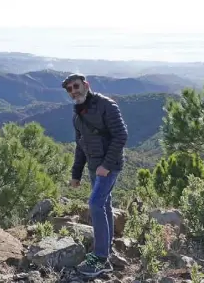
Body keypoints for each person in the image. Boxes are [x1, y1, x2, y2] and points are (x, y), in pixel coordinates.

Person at [62, 73, 128, 277]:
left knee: (95, 203)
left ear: (86, 85)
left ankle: (100, 258)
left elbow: (121, 135)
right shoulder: (77, 116)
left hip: (109, 166)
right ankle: (105, 249)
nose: (74, 91)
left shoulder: (106, 105)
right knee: (104, 204)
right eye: (70, 89)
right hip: (93, 167)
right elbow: (80, 147)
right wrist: (76, 175)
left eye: (76, 86)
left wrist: (106, 166)